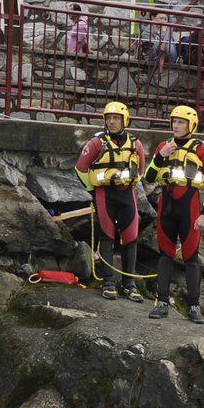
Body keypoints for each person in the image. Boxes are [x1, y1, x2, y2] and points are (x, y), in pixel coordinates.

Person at [143, 105, 204, 323]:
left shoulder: (203, 149)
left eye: (181, 122)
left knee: (191, 257)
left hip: (190, 207)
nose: (176, 125)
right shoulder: (164, 146)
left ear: (191, 125)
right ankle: (162, 303)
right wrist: (160, 156)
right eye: (174, 121)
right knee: (165, 254)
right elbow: (148, 177)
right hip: (166, 206)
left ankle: (194, 307)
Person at [74, 101, 148, 301]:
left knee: (130, 238)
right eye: (109, 118)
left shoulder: (135, 143)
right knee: (107, 237)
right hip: (104, 195)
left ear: (125, 120)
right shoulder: (97, 142)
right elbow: (80, 168)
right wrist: (92, 190)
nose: (112, 122)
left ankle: (129, 284)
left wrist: (127, 182)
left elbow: (140, 171)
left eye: (116, 118)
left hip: (127, 195)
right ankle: (108, 282)